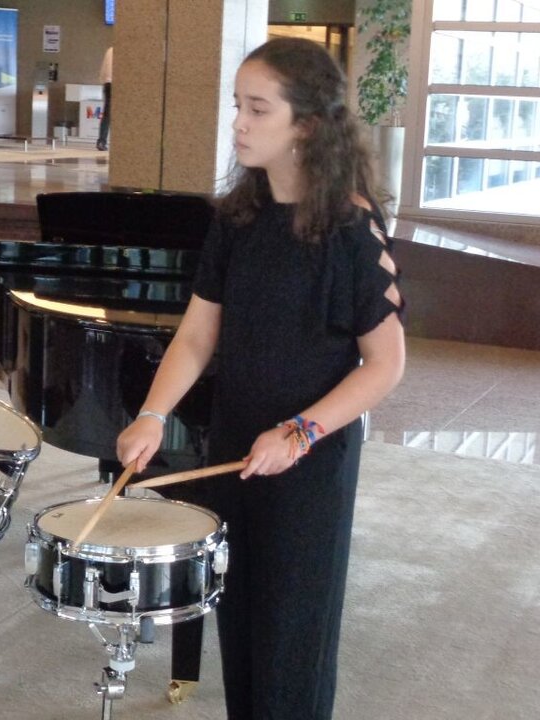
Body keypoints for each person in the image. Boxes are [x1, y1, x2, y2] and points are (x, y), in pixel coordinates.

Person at [116, 37, 405, 720]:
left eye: (257, 109)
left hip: (309, 459)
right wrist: (153, 414)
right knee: (241, 624)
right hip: (236, 446)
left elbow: (386, 364)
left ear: (306, 124)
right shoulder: (237, 219)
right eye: (237, 106)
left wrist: (299, 432)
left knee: (291, 640)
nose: (239, 124)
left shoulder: (352, 229)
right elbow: (197, 335)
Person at [97, 46, 113, 151]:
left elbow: (103, 69)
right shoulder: (126, 50)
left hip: (108, 83)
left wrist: (103, 80)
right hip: (119, 83)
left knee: (107, 113)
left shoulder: (110, 50)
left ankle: (101, 141)